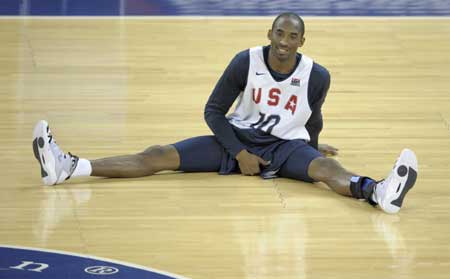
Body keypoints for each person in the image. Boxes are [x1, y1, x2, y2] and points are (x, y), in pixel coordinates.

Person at [32, 12, 418, 214]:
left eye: (292, 37)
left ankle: (378, 192)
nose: (284, 43)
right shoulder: (244, 61)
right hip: (235, 139)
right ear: (269, 34)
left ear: (303, 40)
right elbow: (214, 111)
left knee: (328, 172)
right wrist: (239, 153)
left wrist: (314, 148)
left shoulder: (317, 74)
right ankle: (68, 166)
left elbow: (313, 116)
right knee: (157, 155)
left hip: (285, 146)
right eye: (279, 34)